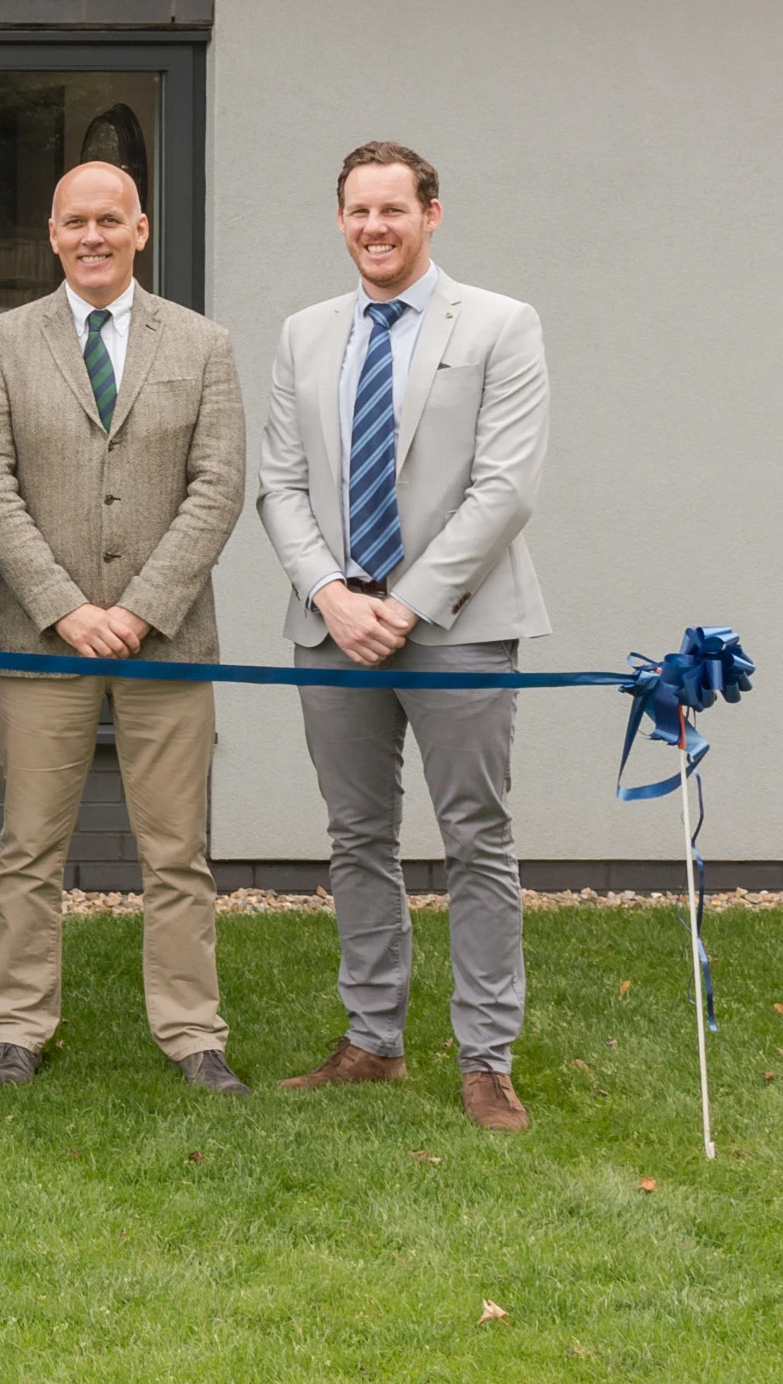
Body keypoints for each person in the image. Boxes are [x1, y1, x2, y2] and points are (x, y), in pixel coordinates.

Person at [258, 140, 550, 1133]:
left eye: (393, 209)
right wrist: (333, 591)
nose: (374, 227)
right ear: (338, 220)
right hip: (331, 626)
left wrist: (408, 600)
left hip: (460, 622)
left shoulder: (502, 325)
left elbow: (503, 488)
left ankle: (484, 1058)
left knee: (476, 836)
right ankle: (372, 1041)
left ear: (431, 212)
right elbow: (281, 485)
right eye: (357, 211)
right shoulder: (303, 334)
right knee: (357, 835)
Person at [0, 161, 250, 1094]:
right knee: (28, 847)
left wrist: (137, 607)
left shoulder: (204, 345)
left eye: (109, 220)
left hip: (168, 638)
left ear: (141, 229)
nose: (92, 236)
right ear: (52, 235)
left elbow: (218, 485)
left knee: (177, 851)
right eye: (75, 221)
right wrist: (67, 606)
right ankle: (16, 1028)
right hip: (41, 638)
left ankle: (193, 1032)